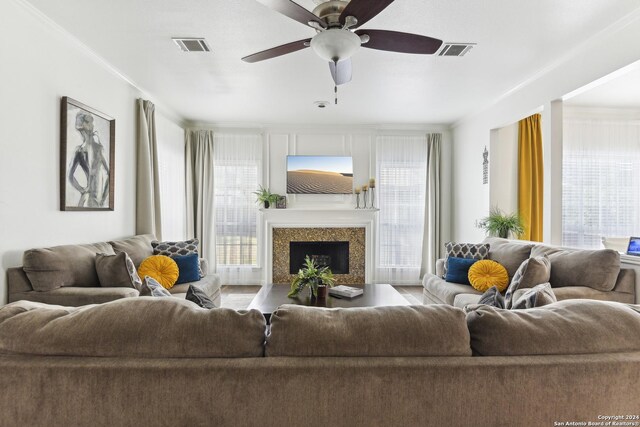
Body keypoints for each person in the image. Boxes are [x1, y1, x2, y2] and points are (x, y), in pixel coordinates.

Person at [68, 110, 110, 208]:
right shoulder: (97, 149)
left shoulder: (80, 150)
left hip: (88, 199)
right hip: (93, 199)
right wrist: (103, 199)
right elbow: (110, 174)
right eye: (89, 122)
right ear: (83, 126)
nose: (92, 125)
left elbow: (70, 176)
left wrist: (83, 190)